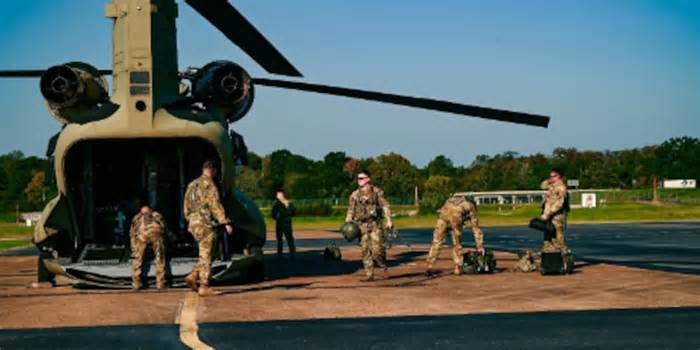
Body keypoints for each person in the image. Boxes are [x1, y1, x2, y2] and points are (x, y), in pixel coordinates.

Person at [183, 160, 234, 296]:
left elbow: (186, 205)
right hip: (205, 223)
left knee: (204, 252)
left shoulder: (192, 185)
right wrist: (225, 222)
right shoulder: (209, 185)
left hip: (194, 223)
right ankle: (204, 285)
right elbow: (215, 205)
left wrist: (189, 221)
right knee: (207, 254)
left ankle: (193, 275)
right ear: (213, 170)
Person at [345, 169, 393, 281]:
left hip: (375, 224)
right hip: (361, 225)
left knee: (377, 250)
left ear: (368, 179)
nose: (359, 180)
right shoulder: (354, 195)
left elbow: (385, 206)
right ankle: (369, 274)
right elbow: (350, 210)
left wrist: (389, 220)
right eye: (358, 178)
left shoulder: (376, 192)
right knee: (365, 250)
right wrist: (347, 222)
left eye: (361, 178)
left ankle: (383, 265)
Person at [426, 195, 485, 276]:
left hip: (442, 217)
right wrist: (480, 246)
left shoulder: (452, 199)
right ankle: (457, 267)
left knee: (436, 242)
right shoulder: (470, 206)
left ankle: (430, 266)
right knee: (457, 243)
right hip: (456, 218)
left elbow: (442, 210)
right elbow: (475, 228)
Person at [130, 202, 167, 290]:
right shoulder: (157, 215)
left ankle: (136, 283)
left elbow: (132, 232)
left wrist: (134, 247)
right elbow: (163, 227)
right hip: (156, 234)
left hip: (142, 235)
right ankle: (160, 283)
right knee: (159, 258)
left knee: (137, 259)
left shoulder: (137, 217)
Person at [540, 168, 569, 251]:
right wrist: (549, 181)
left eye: (553, 176)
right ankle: (547, 252)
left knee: (557, 234)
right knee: (547, 233)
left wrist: (549, 213)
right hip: (548, 213)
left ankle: (561, 254)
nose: (551, 178)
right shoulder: (551, 185)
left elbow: (559, 203)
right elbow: (542, 186)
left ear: (559, 176)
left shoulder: (562, 187)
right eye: (550, 176)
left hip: (557, 215)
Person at [271, 189, 295, 260]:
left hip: (280, 223)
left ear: (282, 194)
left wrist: (277, 216)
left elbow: (273, 214)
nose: (277, 196)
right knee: (289, 239)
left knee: (280, 239)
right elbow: (293, 212)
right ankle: (292, 253)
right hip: (287, 222)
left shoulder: (277, 204)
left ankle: (280, 254)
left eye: (278, 194)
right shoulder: (289, 203)